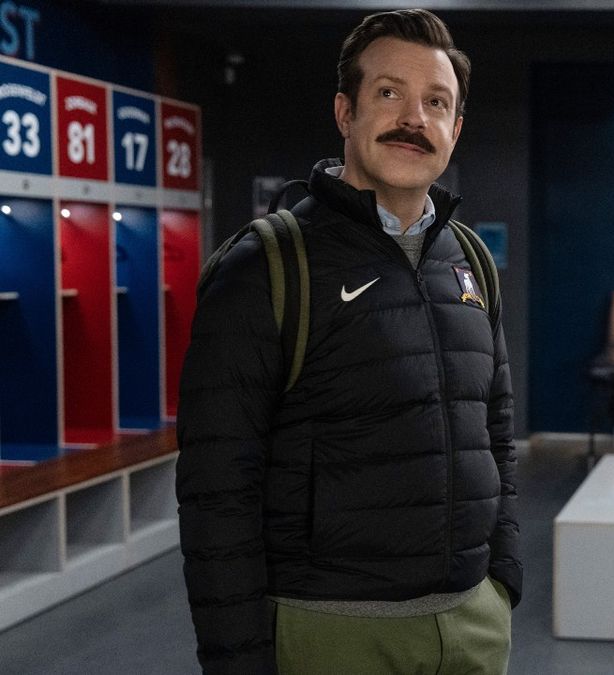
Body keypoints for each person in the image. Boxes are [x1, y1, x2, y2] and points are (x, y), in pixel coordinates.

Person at [176, 9, 520, 674]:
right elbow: (218, 491)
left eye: (436, 101)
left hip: (472, 625)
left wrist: (500, 578)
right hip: (331, 632)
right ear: (345, 112)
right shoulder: (267, 265)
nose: (413, 118)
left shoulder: (470, 259)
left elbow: (496, 430)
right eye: (389, 92)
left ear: (456, 127)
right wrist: (238, 658)